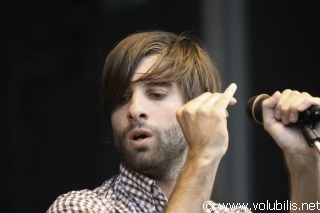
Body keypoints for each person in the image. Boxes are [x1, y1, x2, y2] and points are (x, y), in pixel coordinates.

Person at [47, 31, 320, 213]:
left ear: (198, 106)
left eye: (156, 94)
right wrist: (203, 155)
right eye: (121, 99)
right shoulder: (81, 206)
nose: (134, 109)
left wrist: (305, 161)